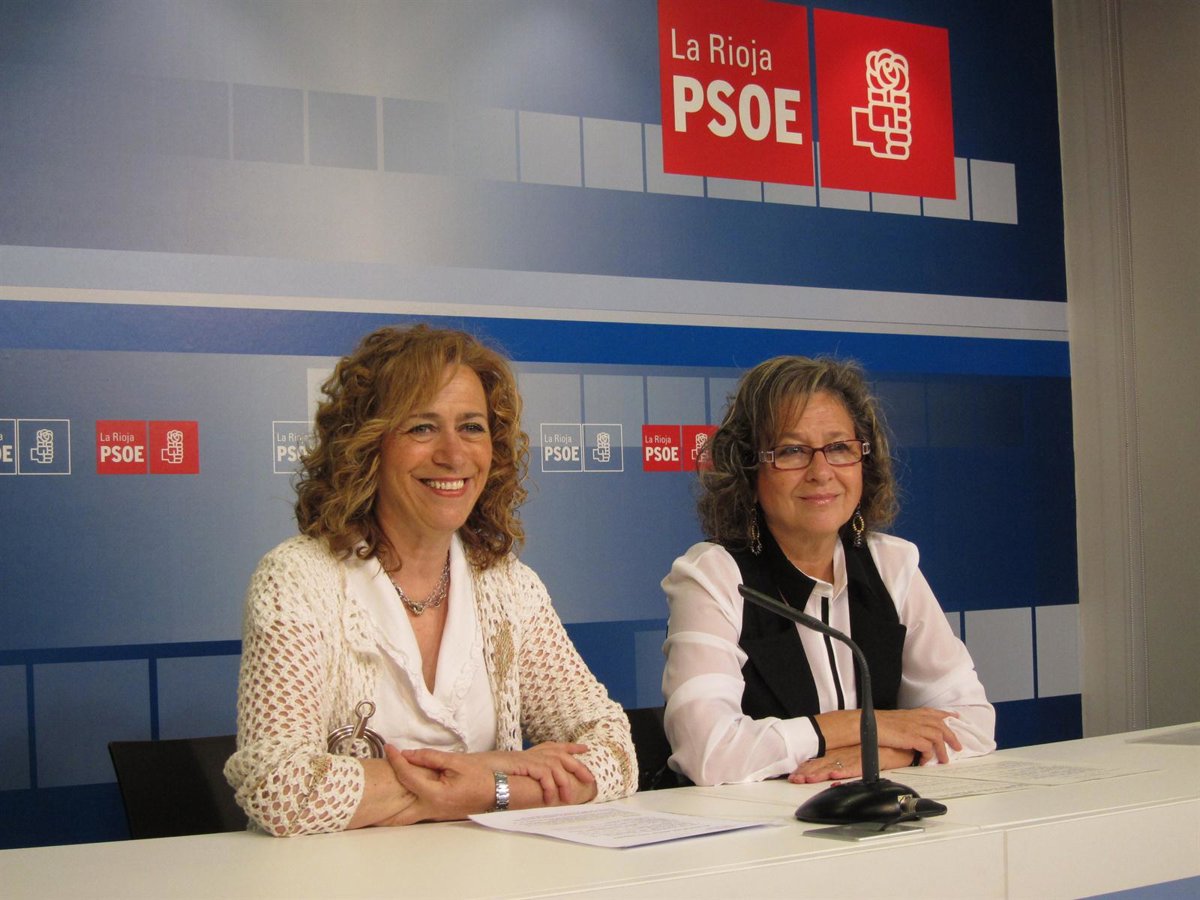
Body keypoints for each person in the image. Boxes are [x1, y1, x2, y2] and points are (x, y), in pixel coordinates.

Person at [225, 324, 637, 835]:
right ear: (367, 445)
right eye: (422, 428)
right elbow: (279, 787)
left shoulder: (509, 587)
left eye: (471, 427)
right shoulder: (297, 580)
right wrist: (488, 771)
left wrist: (490, 790)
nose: (453, 454)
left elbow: (615, 751)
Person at [661, 355, 995, 786]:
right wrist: (860, 726)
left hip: (872, 817)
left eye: (839, 448)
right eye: (792, 451)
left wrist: (884, 754)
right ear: (748, 470)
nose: (821, 473)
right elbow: (708, 752)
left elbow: (973, 721)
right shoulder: (713, 576)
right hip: (754, 823)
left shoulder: (891, 565)